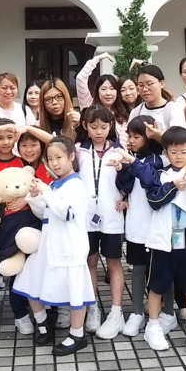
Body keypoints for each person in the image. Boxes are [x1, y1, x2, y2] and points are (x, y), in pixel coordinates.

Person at [14, 136, 97, 355]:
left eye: (59, 157)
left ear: (71, 157)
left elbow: (66, 213)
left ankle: (77, 335)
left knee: (75, 290)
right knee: (30, 278)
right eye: (50, 159)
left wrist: (45, 192)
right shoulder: (54, 184)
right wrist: (35, 197)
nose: (55, 163)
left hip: (70, 247)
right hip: (49, 245)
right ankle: (43, 322)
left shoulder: (76, 185)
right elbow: (45, 213)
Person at [141, 126, 186, 354]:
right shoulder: (160, 175)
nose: (179, 156)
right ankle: (153, 326)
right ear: (166, 153)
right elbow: (154, 201)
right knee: (157, 283)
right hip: (163, 238)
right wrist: (173, 186)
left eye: (183, 152)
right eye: (173, 152)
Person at [0, 121, 46, 338]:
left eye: (10, 138)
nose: (6, 142)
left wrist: (26, 200)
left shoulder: (23, 162)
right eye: (0, 138)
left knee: (19, 270)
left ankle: (20, 313)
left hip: (21, 225)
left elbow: (34, 188)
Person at [112, 116, 166, 338]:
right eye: (129, 136)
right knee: (137, 268)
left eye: (137, 136)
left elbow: (149, 179)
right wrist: (121, 168)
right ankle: (136, 312)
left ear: (149, 137)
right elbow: (126, 186)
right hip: (135, 226)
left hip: (154, 227)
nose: (131, 140)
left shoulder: (158, 159)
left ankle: (167, 312)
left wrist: (130, 163)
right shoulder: (132, 158)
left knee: (160, 271)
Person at [78, 106, 124, 337]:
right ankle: (92, 307)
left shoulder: (119, 151)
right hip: (85, 218)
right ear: (85, 126)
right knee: (90, 262)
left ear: (111, 126)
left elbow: (130, 180)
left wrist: (127, 198)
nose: (98, 131)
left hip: (112, 216)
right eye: (93, 126)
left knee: (114, 263)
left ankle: (116, 312)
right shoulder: (78, 150)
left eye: (104, 127)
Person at [128, 64, 186, 136]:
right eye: (141, 85)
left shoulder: (174, 109)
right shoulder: (135, 113)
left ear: (162, 84)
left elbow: (179, 140)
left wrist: (159, 137)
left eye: (149, 84)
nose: (145, 89)